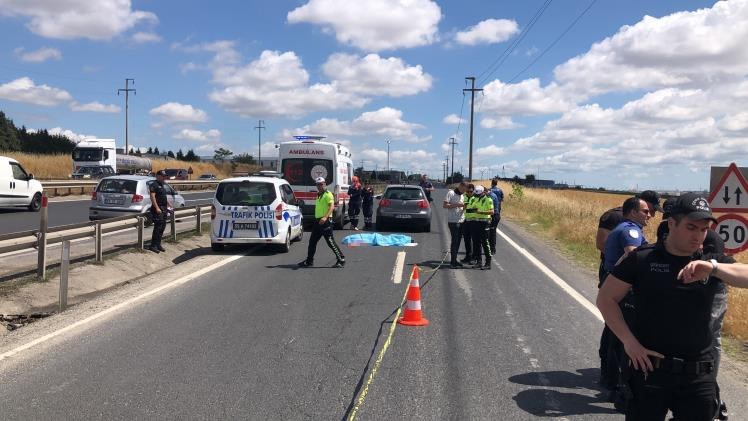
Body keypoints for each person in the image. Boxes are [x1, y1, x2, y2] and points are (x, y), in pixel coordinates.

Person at [597, 193, 748, 421]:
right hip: (650, 370)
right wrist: (629, 342)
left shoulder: (709, 261)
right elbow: (606, 299)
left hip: (697, 374)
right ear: (672, 224)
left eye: (703, 229)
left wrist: (713, 268)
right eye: (691, 227)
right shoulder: (643, 259)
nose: (698, 236)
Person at [598, 196, 652, 398]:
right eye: (645, 211)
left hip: (613, 284)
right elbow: (633, 256)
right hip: (624, 290)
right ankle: (620, 386)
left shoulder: (622, 228)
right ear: (632, 212)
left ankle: (610, 381)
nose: (649, 215)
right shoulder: (631, 231)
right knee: (623, 340)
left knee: (614, 335)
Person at [596, 190, 662, 284]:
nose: (651, 215)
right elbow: (601, 244)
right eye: (649, 210)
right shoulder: (616, 217)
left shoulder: (634, 222)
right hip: (617, 273)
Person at [299, 177, 346, 268]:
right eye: (318, 184)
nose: (319, 186)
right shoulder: (318, 194)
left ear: (325, 184)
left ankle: (341, 259)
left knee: (330, 242)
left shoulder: (328, 195)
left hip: (325, 221)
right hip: (318, 221)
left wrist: (325, 217)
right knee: (312, 241)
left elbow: (331, 207)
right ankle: (309, 261)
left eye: (321, 184)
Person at [467, 185, 493, 270]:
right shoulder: (475, 198)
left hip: (485, 223)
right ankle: (479, 261)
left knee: (485, 243)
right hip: (476, 222)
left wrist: (480, 212)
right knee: (476, 242)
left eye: (478, 194)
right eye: (476, 194)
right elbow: (471, 209)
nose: (477, 196)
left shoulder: (488, 199)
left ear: (483, 192)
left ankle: (488, 263)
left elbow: (492, 211)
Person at [443, 182, 467, 268]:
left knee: (458, 242)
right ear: (460, 186)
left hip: (461, 220)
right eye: (463, 189)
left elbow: (461, 208)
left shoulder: (462, 196)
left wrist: (464, 207)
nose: (464, 191)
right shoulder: (451, 193)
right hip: (453, 221)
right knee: (455, 241)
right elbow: (445, 205)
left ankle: (455, 260)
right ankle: (452, 262)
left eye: (465, 190)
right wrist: (457, 205)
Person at [148, 170, 170, 253]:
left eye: (164, 176)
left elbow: (163, 196)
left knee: (162, 227)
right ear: (157, 176)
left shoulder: (162, 184)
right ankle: (153, 245)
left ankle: (158, 244)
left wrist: (168, 204)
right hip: (158, 208)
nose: (164, 177)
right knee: (157, 227)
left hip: (164, 208)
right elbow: (152, 197)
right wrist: (157, 208)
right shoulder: (154, 185)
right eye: (162, 176)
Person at [460, 184, 476, 264]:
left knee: (474, 240)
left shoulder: (476, 198)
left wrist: (467, 209)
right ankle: (468, 256)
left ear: (473, 191)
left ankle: (474, 258)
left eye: (471, 191)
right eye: (468, 191)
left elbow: (476, 210)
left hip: (473, 221)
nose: (469, 193)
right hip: (465, 221)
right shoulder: (463, 197)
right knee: (466, 240)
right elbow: (461, 207)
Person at [489, 179, 504, 254]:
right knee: (493, 230)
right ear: (497, 183)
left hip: (490, 211)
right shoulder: (500, 190)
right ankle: (493, 248)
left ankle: (490, 247)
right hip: (497, 210)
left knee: (489, 230)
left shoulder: (489, 191)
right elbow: (501, 199)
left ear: (492, 183)